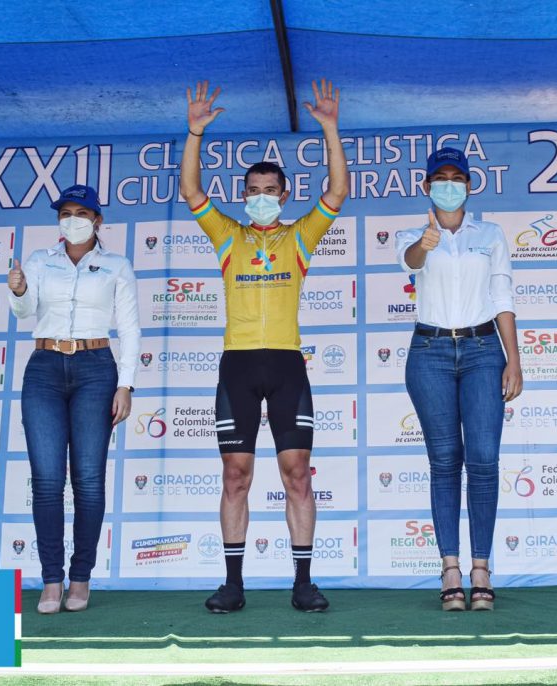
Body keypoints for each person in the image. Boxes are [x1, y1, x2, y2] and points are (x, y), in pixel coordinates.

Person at [179, 80, 348, 613]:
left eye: (270, 189)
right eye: (253, 188)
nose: (261, 196)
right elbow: (190, 190)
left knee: (297, 475)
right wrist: (195, 133)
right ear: (244, 194)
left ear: (284, 195)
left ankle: (304, 583)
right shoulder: (227, 234)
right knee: (236, 476)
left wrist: (329, 128)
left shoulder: (299, 236)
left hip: (286, 366)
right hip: (238, 367)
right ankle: (233, 584)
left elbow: (337, 192)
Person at [395, 148, 523, 611]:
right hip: (429, 352)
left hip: (483, 350)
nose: (448, 184)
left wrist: (514, 359)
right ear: (426, 185)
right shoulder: (413, 235)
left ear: (469, 184)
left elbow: (502, 295)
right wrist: (425, 243)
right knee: (445, 461)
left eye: (457, 177)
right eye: (440, 178)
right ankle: (450, 568)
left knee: (484, 460)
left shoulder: (490, 234)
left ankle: (481, 567)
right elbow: (410, 262)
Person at [8, 184, 140, 614]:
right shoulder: (39, 260)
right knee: (47, 481)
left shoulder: (117, 265)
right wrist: (18, 290)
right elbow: (24, 312)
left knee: (88, 479)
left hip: (96, 367)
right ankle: (51, 580)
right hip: (44, 366)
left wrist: (126, 384)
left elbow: (130, 327)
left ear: (98, 220)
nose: (73, 220)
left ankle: (80, 577)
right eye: (65, 213)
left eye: (82, 213)